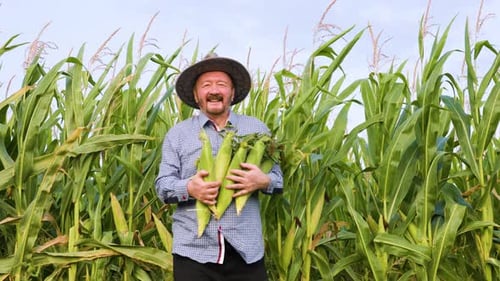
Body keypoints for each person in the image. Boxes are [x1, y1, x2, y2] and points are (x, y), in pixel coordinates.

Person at [155, 53, 283, 281]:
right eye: (206, 85)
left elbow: (278, 178)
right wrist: (190, 188)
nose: (214, 90)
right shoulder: (178, 135)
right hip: (193, 253)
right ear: (196, 95)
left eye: (221, 84)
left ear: (232, 93)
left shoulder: (257, 129)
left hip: (246, 252)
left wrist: (263, 181)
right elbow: (163, 186)